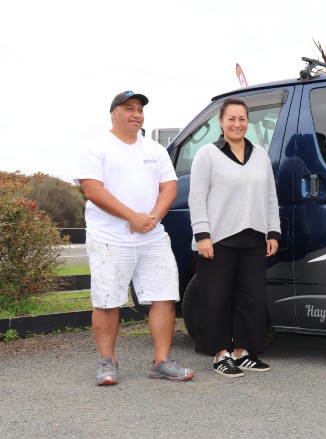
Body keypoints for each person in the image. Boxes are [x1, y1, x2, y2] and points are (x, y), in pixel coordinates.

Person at [75, 90, 195, 386]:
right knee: (107, 300)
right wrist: (133, 217)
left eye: (140, 109)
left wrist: (151, 218)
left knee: (164, 296)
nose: (136, 114)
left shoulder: (155, 150)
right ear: (113, 113)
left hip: (152, 236)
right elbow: (92, 190)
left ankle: (161, 361)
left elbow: (169, 188)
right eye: (129, 108)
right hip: (109, 238)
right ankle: (107, 362)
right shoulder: (95, 147)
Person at [188, 97, 280, 377]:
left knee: (251, 298)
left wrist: (273, 230)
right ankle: (220, 354)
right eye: (231, 119)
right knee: (215, 298)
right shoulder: (207, 154)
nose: (237, 124)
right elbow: (197, 197)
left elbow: (269, 196)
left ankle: (242, 352)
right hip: (217, 240)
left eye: (242, 119)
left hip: (254, 237)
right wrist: (202, 234)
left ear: (247, 121)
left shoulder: (260, 154)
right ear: (221, 122)